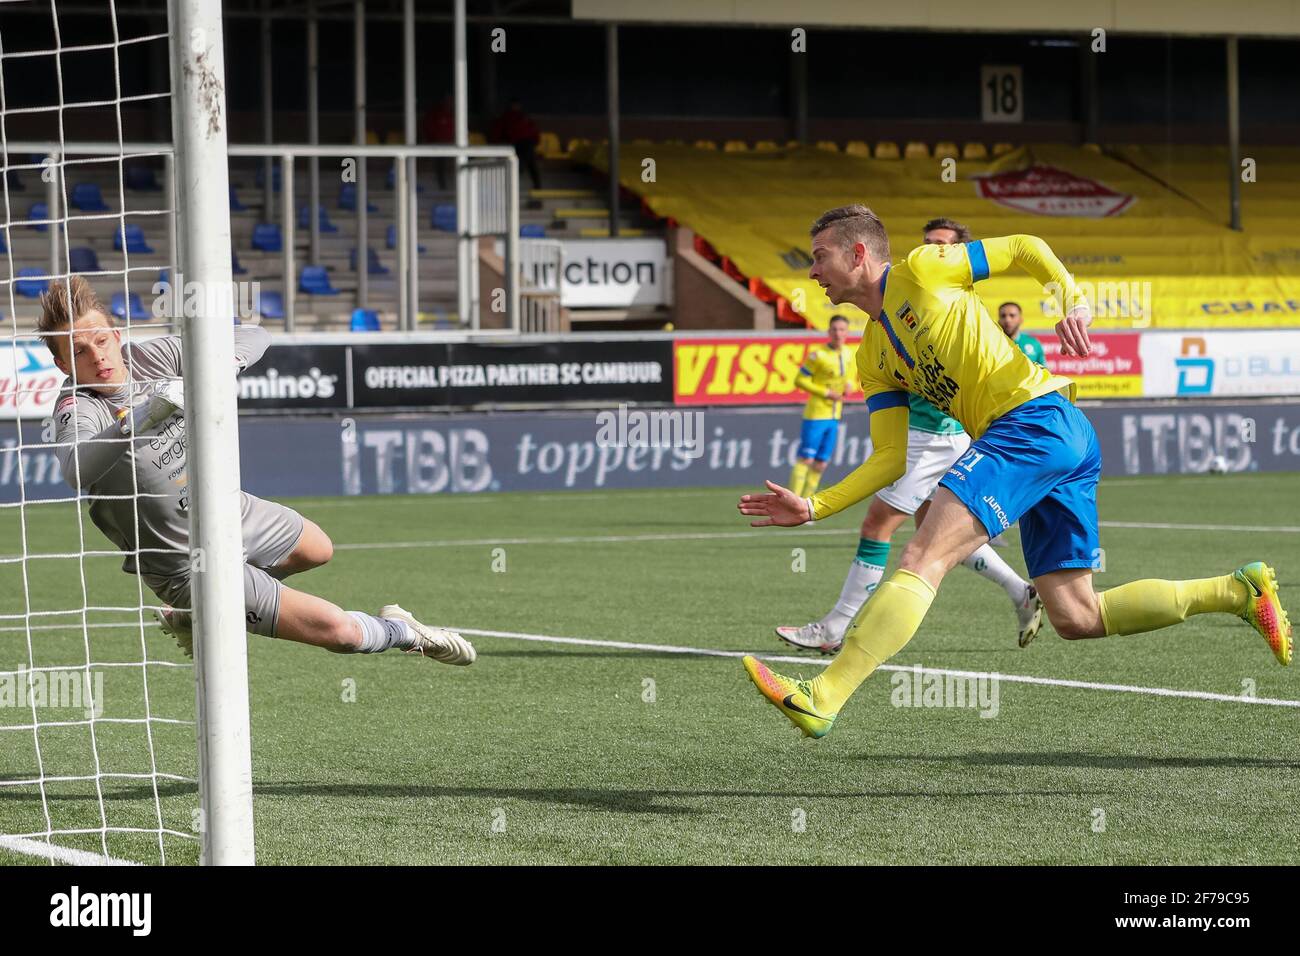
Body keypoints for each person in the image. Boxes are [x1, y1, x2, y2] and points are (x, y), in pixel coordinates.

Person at [738, 205, 1291, 739]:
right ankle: (1237, 591)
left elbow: (1026, 247)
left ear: (858, 254)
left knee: (922, 556)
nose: (811, 272)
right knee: (1077, 615)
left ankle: (824, 696)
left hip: (1032, 421)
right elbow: (890, 456)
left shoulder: (924, 267)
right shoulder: (873, 355)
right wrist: (815, 507)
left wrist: (1071, 301)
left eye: (820, 256)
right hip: (1053, 434)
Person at [42, 276, 476, 665]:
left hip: (231, 514)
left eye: (100, 340)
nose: (96, 355)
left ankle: (194, 617)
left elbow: (253, 334)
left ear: (116, 335)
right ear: (63, 365)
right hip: (184, 564)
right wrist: (140, 418)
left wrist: (222, 366)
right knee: (340, 633)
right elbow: (77, 468)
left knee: (317, 548)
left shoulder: (151, 357)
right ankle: (405, 630)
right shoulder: (77, 408)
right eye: (78, 350)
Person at [776, 218, 1042, 654]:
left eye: (944, 246)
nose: (932, 250)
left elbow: (1024, 246)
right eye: (928, 243)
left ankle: (836, 628)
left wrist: (1072, 301)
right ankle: (1020, 590)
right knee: (931, 529)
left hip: (934, 434)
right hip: (928, 434)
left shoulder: (938, 287)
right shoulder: (884, 325)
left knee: (881, 526)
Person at [787, 315, 854, 498]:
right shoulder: (818, 355)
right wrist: (826, 393)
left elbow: (848, 377)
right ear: (828, 332)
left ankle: (806, 503)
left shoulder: (848, 353)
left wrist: (850, 385)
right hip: (816, 414)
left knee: (821, 463)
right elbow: (800, 380)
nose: (838, 333)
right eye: (834, 329)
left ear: (847, 332)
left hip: (834, 415)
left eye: (842, 330)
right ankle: (792, 501)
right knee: (806, 459)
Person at [490, 99, 542, 191]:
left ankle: (537, 187)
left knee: (531, 164)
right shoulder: (506, 117)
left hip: (528, 143)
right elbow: (498, 131)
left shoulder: (524, 116)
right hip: (516, 144)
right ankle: (511, 184)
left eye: (517, 105)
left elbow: (533, 130)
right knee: (522, 164)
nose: (516, 107)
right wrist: (497, 142)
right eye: (514, 105)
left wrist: (536, 140)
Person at [997, 300, 1046, 365]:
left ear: (1020, 319)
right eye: (1003, 316)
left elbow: (1044, 371)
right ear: (998, 320)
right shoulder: (992, 344)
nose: (1007, 320)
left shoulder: (1034, 343)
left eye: (1012, 315)